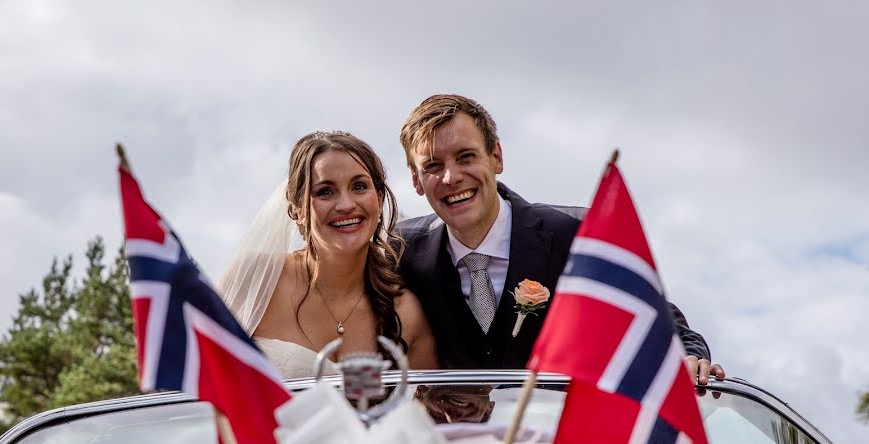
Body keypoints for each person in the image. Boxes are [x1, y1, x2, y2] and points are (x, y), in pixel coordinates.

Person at [396, 94, 724, 385]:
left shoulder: (579, 233)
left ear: (496, 156)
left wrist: (688, 356)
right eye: (433, 166)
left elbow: (655, 319)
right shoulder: (402, 251)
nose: (451, 178)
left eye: (466, 156)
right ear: (416, 180)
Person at [219, 131, 437, 379]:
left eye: (359, 187)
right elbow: (202, 385)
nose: (345, 204)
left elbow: (428, 410)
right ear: (298, 209)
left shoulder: (405, 311)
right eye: (325, 191)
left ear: (378, 199)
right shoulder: (256, 280)